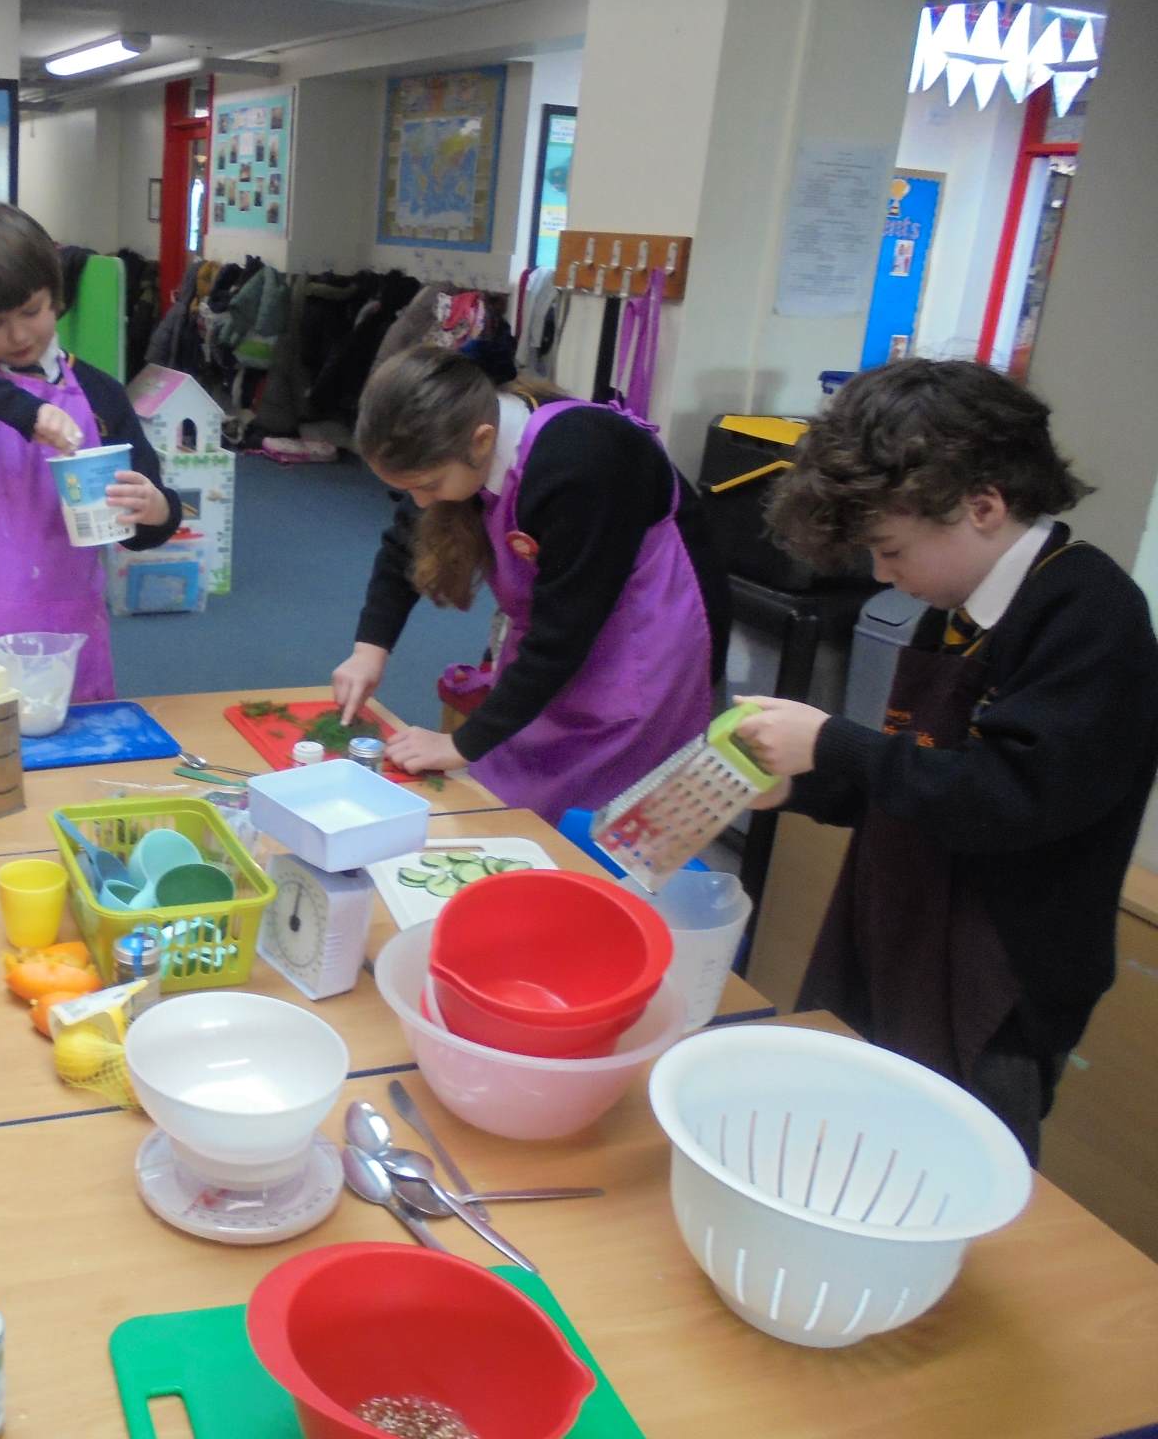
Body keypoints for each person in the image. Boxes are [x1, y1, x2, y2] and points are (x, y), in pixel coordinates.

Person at [734, 359, 1158, 1162]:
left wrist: (833, 741)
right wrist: (799, 785)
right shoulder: (959, 607)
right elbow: (916, 778)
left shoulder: (1089, 614)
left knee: (956, 1162)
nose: (882, 575)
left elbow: (1008, 797)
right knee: (852, 1141)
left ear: (983, 506)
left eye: (891, 550)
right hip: (901, 925)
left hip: (997, 979)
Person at [331, 345, 728, 820]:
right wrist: (369, 651)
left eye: (429, 486)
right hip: (566, 626)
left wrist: (461, 744)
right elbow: (404, 545)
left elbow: (562, 634)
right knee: (515, 787)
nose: (419, 502)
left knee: (599, 812)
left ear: (482, 442)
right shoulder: (456, 445)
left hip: (647, 644)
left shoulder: (579, 463)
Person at [0, 202, 182, 713]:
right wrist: (27, 412)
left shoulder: (102, 395)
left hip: (61, 639)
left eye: (31, 311)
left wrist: (156, 509)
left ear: (55, 297)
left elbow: (144, 522)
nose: (18, 335)